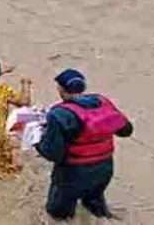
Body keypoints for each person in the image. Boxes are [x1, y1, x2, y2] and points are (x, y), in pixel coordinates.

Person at [36, 69, 133, 221]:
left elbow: (53, 153)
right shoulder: (102, 101)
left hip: (73, 173)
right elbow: (126, 130)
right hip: (104, 168)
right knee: (95, 206)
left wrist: (36, 141)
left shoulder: (58, 114)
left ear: (60, 89)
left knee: (58, 214)